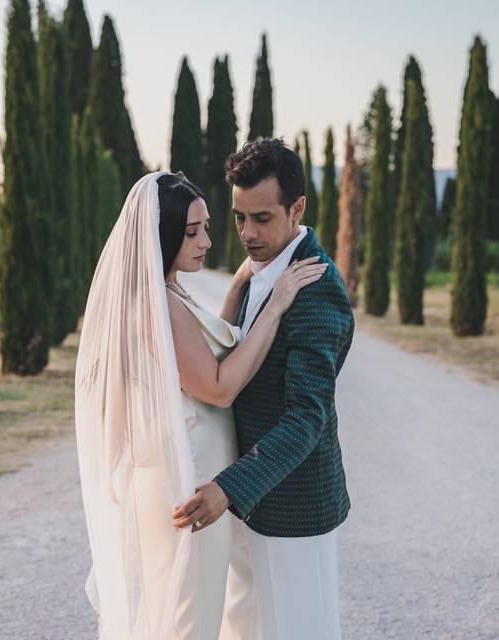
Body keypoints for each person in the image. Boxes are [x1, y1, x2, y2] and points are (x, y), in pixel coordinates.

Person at [74, 169, 326, 639]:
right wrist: (276, 304)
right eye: (192, 232)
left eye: (208, 226)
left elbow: (208, 343)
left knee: (198, 611)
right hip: (186, 478)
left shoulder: (168, 290)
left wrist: (242, 281)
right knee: (191, 620)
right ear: (162, 234)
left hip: (195, 468)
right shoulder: (157, 307)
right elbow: (218, 387)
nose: (207, 241)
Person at [172, 138, 355, 639]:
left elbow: (305, 421)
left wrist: (228, 487)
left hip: (293, 507)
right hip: (249, 506)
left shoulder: (316, 290)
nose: (247, 233)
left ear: (297, 208)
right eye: (238, 218)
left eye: (263, 218)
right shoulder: (257, 272)